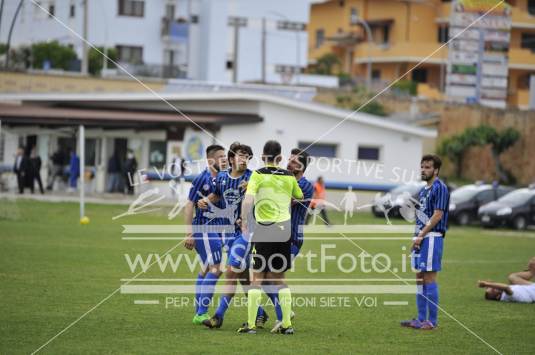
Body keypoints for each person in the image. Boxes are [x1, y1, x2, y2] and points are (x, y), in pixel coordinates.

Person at [201, 143, 270, 329]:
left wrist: (255, 190)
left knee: (230, 272)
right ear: (231, 159)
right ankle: (261, 313)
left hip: (247, 233)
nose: (245, 159)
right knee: (243, 278)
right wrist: (206, 200)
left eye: (248, 157)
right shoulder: (222, 177)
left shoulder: (253, 177)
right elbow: (217, 195)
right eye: (241, 155)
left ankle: (218, 317)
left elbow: (268, 194)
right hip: (228, 233)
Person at [237, 140, 303, 335]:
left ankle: (250, 326)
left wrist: (243, 219)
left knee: (256, 277)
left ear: (263, 157)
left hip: (264, 229)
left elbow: (248, 199)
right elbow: (298, 194)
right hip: (284, 231)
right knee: (279, 278)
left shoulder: (257, 175)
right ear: (280, 158)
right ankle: (287, 325)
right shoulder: (289, 176)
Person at [266, 148, 313, 333]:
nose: (289, 163)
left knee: (273, 276)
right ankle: (284, 313)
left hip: (292, 238)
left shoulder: (305, 185)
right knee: (263, 277)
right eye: (289, 160)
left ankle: (284, 319)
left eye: (294, 161)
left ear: (301, 166)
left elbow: (286, 201)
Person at [401, 154, 449, 330]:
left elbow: (438, 215)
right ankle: (420, 319)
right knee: (419, 278)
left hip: (432, 237)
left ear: (436, 170)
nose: (423, 170)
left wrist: (421, 235)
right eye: (422, 166)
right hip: (420, 237)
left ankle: (433, 322)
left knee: (429, 277)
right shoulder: (423, 190)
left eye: (428, 167)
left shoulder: (440, 188)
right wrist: (416, 237)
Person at [183, 144, 227, 325]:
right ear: (210, 160)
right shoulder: (203, 178)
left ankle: (198, 312)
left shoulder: (225, 177)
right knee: (217, 269)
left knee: (207, 269)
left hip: (218, 231)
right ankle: (201, 312)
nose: (225, 159)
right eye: (221, 157)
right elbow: (188, 205)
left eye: (225, 156)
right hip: (204, 229)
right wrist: (189, 233)